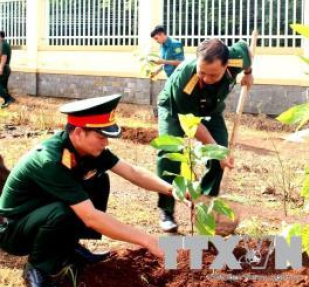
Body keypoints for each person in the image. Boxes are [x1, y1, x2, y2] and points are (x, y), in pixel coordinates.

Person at [0, 95, 180, 287]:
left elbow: (132, 172)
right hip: (13, 230)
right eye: (101, 137)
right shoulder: (49, 160)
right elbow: (90, 217)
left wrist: (171, 190)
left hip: (40, 216)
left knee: (99, 179)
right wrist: (148, 241)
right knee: (65, 211)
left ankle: (68, 249)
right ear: (78, 132)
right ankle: (38, 268)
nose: (106, 143)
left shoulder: (87, 150)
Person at [156, 38, 253, 232]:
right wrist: (217, 150)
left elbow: (247, 54)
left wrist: (248, 74)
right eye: (202, 72)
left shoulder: (237, 57)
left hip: (211, 109)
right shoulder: (184, 79)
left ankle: (206, 203)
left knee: (220, 157)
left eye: (213, 75)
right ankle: (166, 209)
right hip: (176, 110)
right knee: (169, 153)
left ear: (227, 65)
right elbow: (192, 125)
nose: (206, 79)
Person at [0, 31, 15, 108]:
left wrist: (1, 68)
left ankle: (8, 98)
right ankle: (7, 102)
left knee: (1, 86)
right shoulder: (4, 44)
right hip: (6, 67)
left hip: (3, 67)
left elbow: (4, 57)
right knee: (3, 86)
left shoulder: (4, 44)